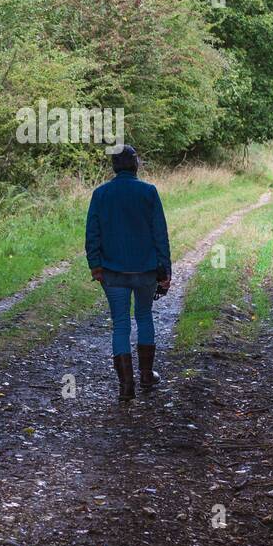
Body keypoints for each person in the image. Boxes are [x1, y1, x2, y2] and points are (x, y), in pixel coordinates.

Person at [84, 144, 172, 402]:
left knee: (120, 324)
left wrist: (95, 265)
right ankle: (146, 376)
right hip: (145, 269)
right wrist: (165, 269)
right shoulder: (148, 192)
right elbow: (160, 233)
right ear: (135, 164)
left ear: (114, 166)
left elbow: (92, 233)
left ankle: (126, 387)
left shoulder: (101, 194)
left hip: (112, 271)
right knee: (144, 316)